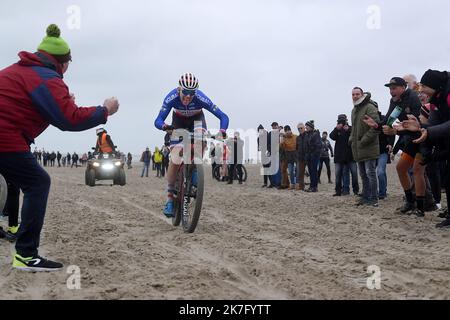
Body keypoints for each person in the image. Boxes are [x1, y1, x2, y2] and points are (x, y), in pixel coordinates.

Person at [0, 24, 119, 271]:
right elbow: (69, 120)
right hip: (5, 137)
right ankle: (25, 254)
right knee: (37, 182)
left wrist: (61, 105)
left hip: (7, 134)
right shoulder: (46, 78)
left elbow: (29, 112)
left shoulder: (17, 71)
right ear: (62, 64)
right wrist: (104, 110)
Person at [154, 73, 229, 217]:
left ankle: (194, 169)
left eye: (192, 93)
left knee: (200, 143)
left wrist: (222, 130)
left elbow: (223, 116)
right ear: (179, 89)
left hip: (197, 120)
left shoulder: (200, 97)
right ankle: (170, 198)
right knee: (175, 157)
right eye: (185, 93)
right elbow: (158, 120)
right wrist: (165, 127)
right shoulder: (171, 97)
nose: (188, 96)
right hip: (178, 122)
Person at [364, 77, 423, 214]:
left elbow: (418, 124)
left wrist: (396, 130)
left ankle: (421, 207)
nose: (391, 91)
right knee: (401, 168)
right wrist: (377, 125)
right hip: (410, 138)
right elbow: (388, 120)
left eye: (394, 88)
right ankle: (410, 201)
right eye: (390, 88)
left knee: (418, 171)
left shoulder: (413, 97)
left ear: (403, 87)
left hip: (423, 136)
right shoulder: (395, 101)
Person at [399, 70, 450, 227]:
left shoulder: (447, 96)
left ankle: (426, 204)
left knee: (432, 174)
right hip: (440, 141)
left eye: (424, 86)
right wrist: (419, 127)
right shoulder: (437, 99)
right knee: (447, 179)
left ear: (435, 86)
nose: (421, 90)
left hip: (441, 141)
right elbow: (433, 123)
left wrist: (427, 130)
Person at [350, 87, 380, 207]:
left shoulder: (370, 107)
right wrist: (351, 139)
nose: (355, 96)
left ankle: (374, 198)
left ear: (362, 95)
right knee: (363, 174)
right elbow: (354, 128)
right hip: (358, 148)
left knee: (370, 173)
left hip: (369, 146)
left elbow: (376, 127)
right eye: (353, 94)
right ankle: (366, 197)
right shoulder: (354, 110)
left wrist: (363, 140)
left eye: (357, 94)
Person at [330, 114, 359, 196]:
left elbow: (355, 135)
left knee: (354, 174)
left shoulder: (350, 128)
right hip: (339, 156)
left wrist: (349, 130)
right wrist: (336, 129)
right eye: (340, 121)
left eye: (343, 120)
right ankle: (341, 191)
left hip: (351, 156)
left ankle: (356, 190)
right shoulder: (337, 129)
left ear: (346, 120)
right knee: (339, 174)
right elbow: (331, 136)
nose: (342, 122)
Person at [304, 120, 321, 192]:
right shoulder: (307, 134)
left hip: (314, 156)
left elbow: (318, 146)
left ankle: (315, 187)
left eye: (307, 126)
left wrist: (314, 154)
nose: (306, 127)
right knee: (311, 172)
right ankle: (311, 186)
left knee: (314, 171)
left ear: (311, 127)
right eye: (306, 126)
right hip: (308, 156)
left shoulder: (315, 134)